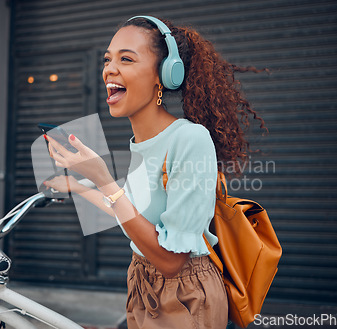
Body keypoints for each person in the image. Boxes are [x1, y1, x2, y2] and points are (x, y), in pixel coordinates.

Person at [44, 15, 266, 329]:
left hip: (185, 298)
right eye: (108, 59)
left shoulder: (189, 139)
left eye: (126, 59)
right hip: (141, 283)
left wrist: (103, 178)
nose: (110, 68)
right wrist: (78, 186)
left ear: (164, 74)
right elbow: (130, 212)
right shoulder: (140, 143)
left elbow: (172, 261)